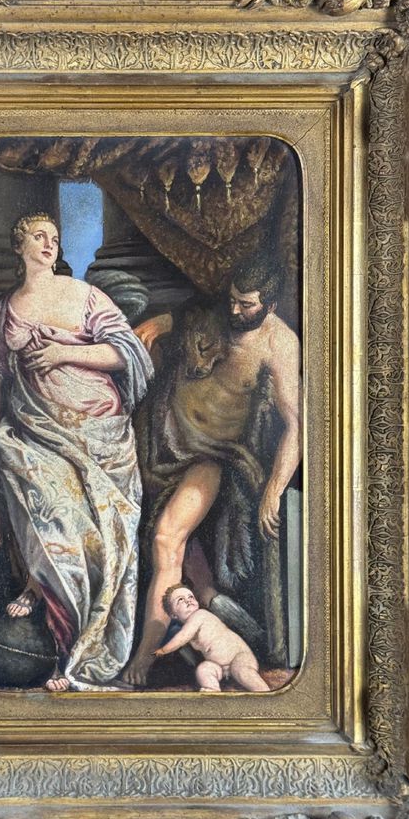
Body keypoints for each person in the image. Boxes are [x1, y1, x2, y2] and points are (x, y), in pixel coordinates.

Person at [0, 213, 153, 691]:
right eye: (39, 237)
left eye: (54, 237)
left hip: (102, 436)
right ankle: (52, 623)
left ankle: (76, 654)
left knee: (102, 541)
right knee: (53, 512)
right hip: (36, 432)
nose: (49, 244)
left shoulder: (84, 296)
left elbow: (126, 353)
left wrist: (63, 353)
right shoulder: (2, 313)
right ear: (19, 246)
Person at [123, 255, 301, 687]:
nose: (234, 311)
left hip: (210, 456)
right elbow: (178, 321)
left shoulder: (279, 345)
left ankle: (144, 658)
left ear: (270, 306)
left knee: (167, 538)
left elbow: (296, 425)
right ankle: (205, 606)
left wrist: (275, 488)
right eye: (232, 301)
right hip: (155, 440)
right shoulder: (218, 312)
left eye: (246, 305)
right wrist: (154, 327)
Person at [155, 583, 270, 692]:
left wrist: (164, 650)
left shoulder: (199, 615)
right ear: (173, 615)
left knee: (242, 671)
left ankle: (263, 692)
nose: (188, 600)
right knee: (203, 669)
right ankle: (212, 689)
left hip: (238, 657)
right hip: (219, 666)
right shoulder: (186, 626)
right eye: (180, 600)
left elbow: (182, 637)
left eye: (190, 596)